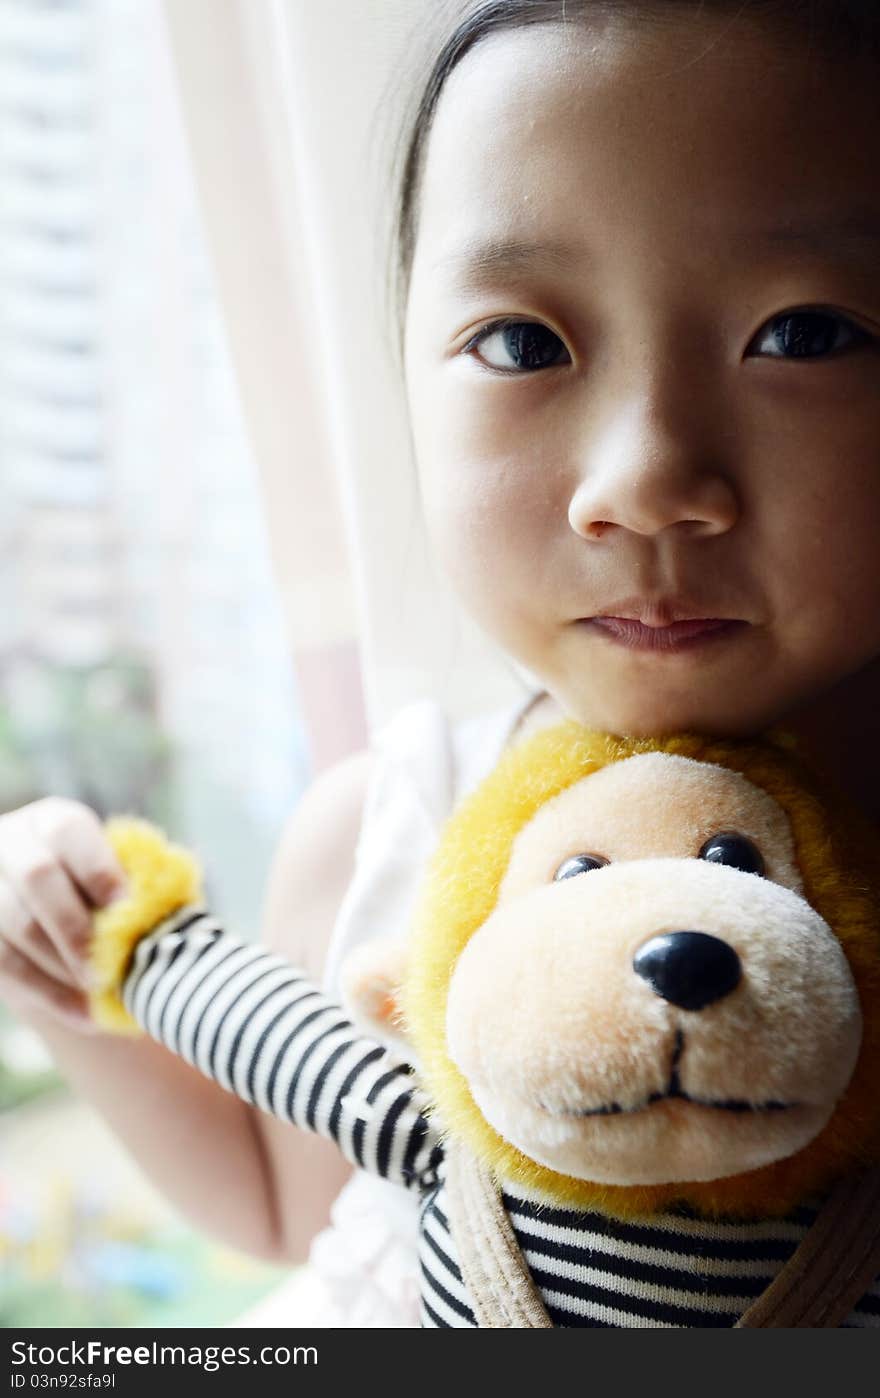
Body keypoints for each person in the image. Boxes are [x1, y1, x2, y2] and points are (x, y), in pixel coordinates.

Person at [2, 0, 879, 1327]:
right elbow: (285, 1205)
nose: (642, 480)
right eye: (525, 344)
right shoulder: (387, 821)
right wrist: (61, 964)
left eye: (802, 333)